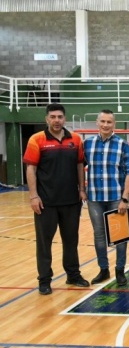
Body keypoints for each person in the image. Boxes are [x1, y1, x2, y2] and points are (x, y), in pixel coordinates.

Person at [23, 103, 89, 295]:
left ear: (65, 118)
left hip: (71, 201)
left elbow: (79, 166)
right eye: (52, 117)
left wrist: (82, 189)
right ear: (47, 119)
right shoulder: (37, 139)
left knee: (71, 241)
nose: (56, 120)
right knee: (44, 243)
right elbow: (31, 169)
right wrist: (33, 196)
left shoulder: (75, 139)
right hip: (46, 202)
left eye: (60, 117)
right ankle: (44, 280)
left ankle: (73, 275)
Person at [84, 110, 129, 286]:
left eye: (109, 122)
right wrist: (81, 189)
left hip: (116, 197)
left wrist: (125, 198)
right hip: (94, 198)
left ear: (114, 124)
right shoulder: (87, 144)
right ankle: (103, 270)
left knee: (120, 236)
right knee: (99, 235)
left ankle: (120, 271)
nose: (106, 125)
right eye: (103, 121)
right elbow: (77, 167)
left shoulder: (122, 145)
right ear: (97, 123)